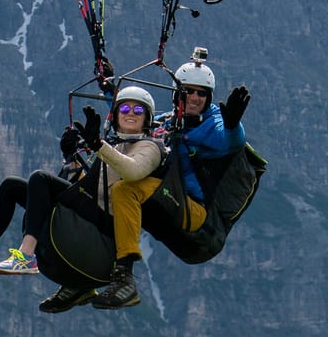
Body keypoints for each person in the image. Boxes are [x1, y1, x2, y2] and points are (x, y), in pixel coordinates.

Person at [0, 86, 166, 314]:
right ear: (115, 115)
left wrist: (98, 145)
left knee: (40, 179)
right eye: (125, 107)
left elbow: (133, 171)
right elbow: (83, 186)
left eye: (139, 110)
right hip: (89, 215)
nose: (131, 113)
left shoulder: (151, 147)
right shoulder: (113, 146)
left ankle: (26, 256)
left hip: (108, 228)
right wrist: (71, 158)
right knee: (11, 187)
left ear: (147, 118)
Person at [91, 53, 248, 309]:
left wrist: (233, 125)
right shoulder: (170, 122)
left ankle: (125, 279)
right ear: (177, 94)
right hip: (166, 196)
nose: (195, 98)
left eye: (201, 93)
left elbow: (227, 141)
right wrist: (110, 88)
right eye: (188, 91)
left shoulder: (211, 124)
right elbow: (136, 119)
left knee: (125, 191)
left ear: (209, 98)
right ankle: (88, 269)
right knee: (109, 185)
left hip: (191, 208)